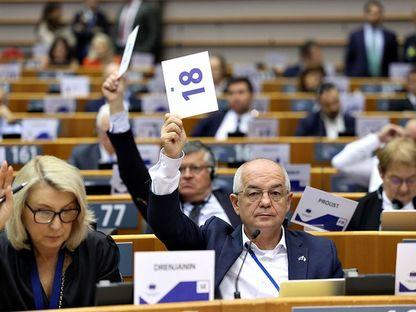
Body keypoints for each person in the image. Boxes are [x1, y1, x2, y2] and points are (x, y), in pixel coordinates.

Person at [147, 114, 343, 299]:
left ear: (288, 202)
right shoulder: (213, 241)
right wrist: (171, 162)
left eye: (275, 193)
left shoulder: (321, 251)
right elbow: (167, 224)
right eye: (254, 193)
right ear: (235, 203)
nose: (265, 202)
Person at [101, 72, 240, 227]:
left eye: (195, 168)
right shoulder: (160, 203)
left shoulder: (234, 203)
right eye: (180, 169)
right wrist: (116, 105)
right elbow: (132, 172)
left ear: (211, 171)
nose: (186, 176)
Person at [0, 156, 121, 310]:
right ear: (20, 209)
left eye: (67, 210)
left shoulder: (98, 250)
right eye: (44, 212)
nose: (57, 226)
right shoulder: (2, 251)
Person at [347, 137, 416, 230]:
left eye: (411, 180)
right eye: (396, 180)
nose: (404, 188)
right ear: (381, 173)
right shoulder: (359, 210)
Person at [332, 119, 416, 192]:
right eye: (408, 138)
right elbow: (339, 163)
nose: (412, 144)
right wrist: (378, 138)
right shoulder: (381, 162)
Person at [344, 0, 398, 77]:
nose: (374, 16)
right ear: (365, 14)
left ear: (381, 14)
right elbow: (349, 61)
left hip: (384, 79)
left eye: (377, 13)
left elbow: (394, 61)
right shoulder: (355, 36)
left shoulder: (390, 36)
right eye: (371, 13)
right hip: (359, 79)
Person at [69, 104, 116, 169]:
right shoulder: (80, 155)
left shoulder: (132, 155)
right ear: (98, 131)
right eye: (105, 132)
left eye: (115, 132)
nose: (111, 137)